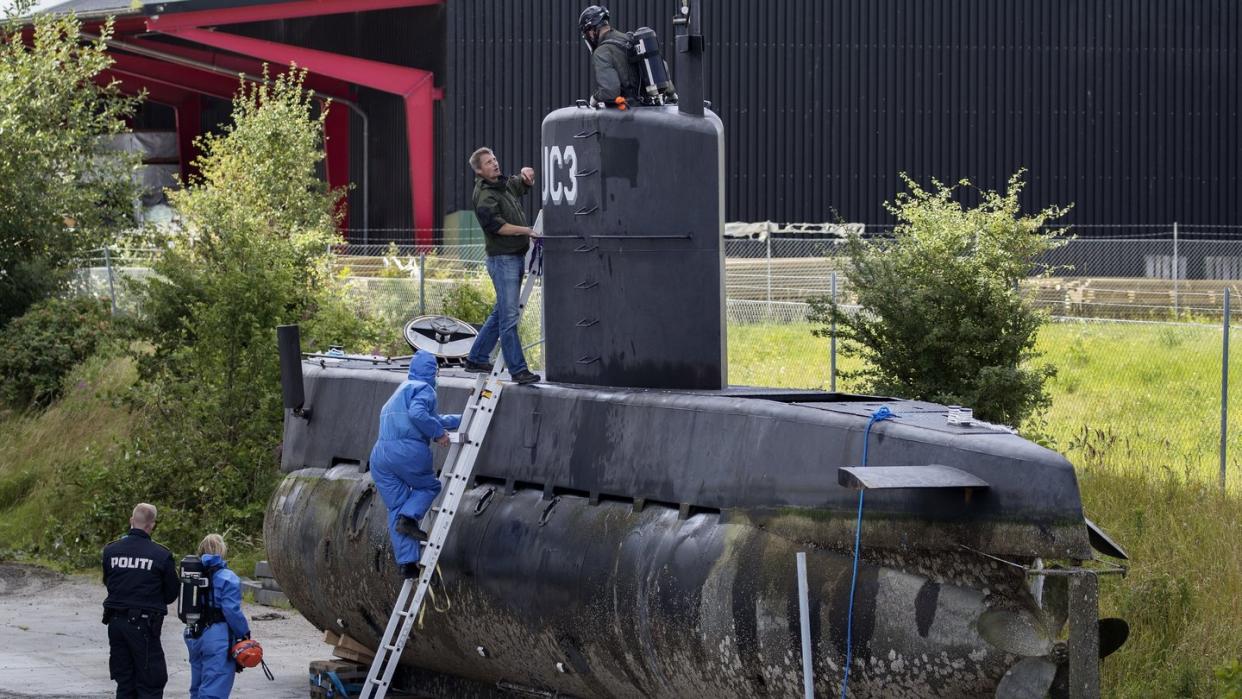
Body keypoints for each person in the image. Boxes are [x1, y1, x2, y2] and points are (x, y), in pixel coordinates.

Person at [370, 350, 463, 577]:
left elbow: (429, 417)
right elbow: (418, 415)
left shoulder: (401, 391)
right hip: (406, 451)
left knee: (397, 506)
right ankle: (410, 517)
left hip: (380, 456)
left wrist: (461, 420)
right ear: (432, 372)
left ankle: (407, 564)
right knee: (429, 487)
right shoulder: (425, 389)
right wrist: (438, 433)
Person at [463, 147, 542, 385]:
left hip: (514, 257)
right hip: (503, 260)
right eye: (488, 163)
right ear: (479, 171)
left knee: (500, 313)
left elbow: (519, 184)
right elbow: (498, 227)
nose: (495, 164)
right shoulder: (485, 196)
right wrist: (527, 231)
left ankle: (476, 358)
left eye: (494, 159)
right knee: (509, 317)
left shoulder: (501, 184)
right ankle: (518, 370)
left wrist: (528, 175)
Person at [101, 502, 179, 699]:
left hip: (116, 624)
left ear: (131, 521)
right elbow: (171, 594)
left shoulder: (111, 551)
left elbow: (108, 582)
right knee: (151, 682)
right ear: (151, 525)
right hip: (143, 626)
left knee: (125, 682)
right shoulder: (161, 555)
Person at [183, 534, 251, 699]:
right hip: (217, 638)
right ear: (222, 550)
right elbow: (231, 611)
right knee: (214, 690)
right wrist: (244, 634)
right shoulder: (228, 578)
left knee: (198, 688)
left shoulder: (193, 574)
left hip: (194, 634)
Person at [579, 5, 641, 106]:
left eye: (587, 33)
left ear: (591, 30)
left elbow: (610, 91)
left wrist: (595, 98)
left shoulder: (602, 52)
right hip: (648, 106)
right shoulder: (627, 39)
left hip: (629, 113)